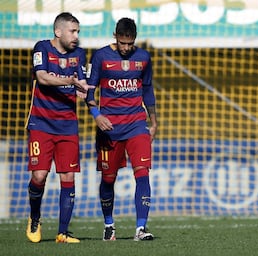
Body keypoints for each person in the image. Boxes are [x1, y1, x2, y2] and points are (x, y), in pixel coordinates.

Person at [86, 17, 157, 241]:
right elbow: (89, 92)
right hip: (109, 128)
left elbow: (148, 90)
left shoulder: (143, 57)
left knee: (143, 174)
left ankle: (141, 228)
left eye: (130, 43)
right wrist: (96, 115)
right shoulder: (100, 56)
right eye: (123, 42)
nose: (126, 48)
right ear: (115, 36)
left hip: (137, 124)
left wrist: (154, 122)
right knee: (108, 178)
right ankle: (109, 224)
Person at [25, 12, 92, 243]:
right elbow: (42, 78)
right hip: (41, 123)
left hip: (68, 126)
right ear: (58, 31)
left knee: (68, 177)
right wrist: (70, 81)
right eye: (72, 31)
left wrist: (87, 92)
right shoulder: (41, 48)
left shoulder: (79, 54)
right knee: (39, 175)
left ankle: (63, 233)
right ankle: (35, 217)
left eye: (78, 32)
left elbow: (83, 83)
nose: (76, 36)